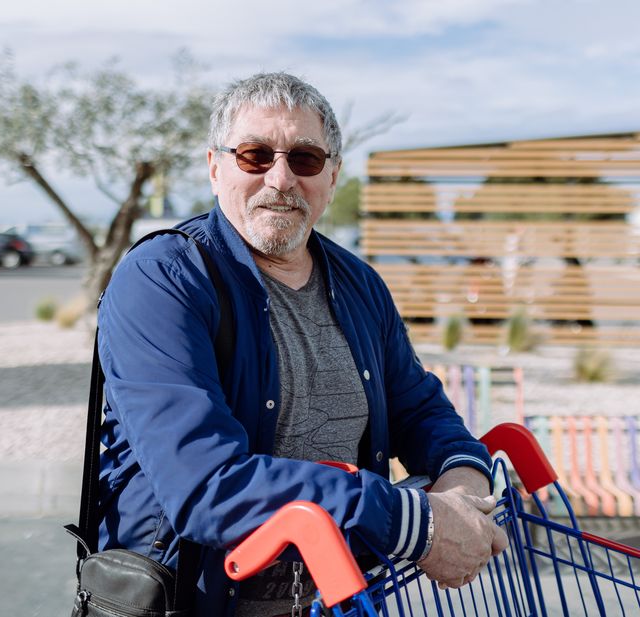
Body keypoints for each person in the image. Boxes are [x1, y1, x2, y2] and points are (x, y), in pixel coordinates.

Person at [97, 72, 508, 617]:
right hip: (192, 598)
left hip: (341, 597)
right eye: (255, 154)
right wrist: (416, 524)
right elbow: (204, 485)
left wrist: (464, 478)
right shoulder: (163, 279)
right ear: (215, 167)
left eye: (306, 159)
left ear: (332, 177)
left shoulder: (360, 283)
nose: (281, 178)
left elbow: (418, 405)